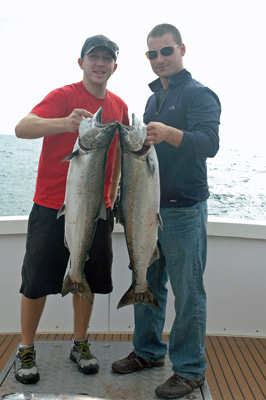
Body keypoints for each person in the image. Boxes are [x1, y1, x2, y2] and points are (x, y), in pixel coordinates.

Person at [112, 23, 221, 399]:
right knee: (146, 279)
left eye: (166, 51)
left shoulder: (200, 94)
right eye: (152, 54)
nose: (159, 59)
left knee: (188, 292)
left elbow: (209, 143)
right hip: (147, 210)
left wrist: (169, 133)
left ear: (181, 49)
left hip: (185, 212)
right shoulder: (152, 99)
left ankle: (190, 370)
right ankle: (147, 351)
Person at [14, 34, 129, 384]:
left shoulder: (119, 105)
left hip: (97, 209)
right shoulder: (64, 96)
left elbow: (120, 154)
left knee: (87, 277)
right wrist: (65, 123)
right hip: (51, 206)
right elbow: (22, 128)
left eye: (106, 58)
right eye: (93, 57)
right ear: (81, 63)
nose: (100, 63)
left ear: (114, 66)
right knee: (36, 280)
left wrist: (112, 195)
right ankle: (26, 348)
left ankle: (80, 343)